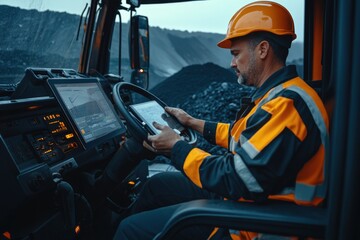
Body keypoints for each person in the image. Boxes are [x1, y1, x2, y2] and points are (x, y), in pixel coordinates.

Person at [112, 1, 329, 239]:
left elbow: (237, 178)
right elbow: (245, 138)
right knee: (157, 186)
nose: (232, 63)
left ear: (263, 50)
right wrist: (193, 122)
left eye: (236, 54)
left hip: (254, 224)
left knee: (129, 230)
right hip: (254, 201)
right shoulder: (280, 94)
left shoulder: (287, 105)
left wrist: (176, 148)